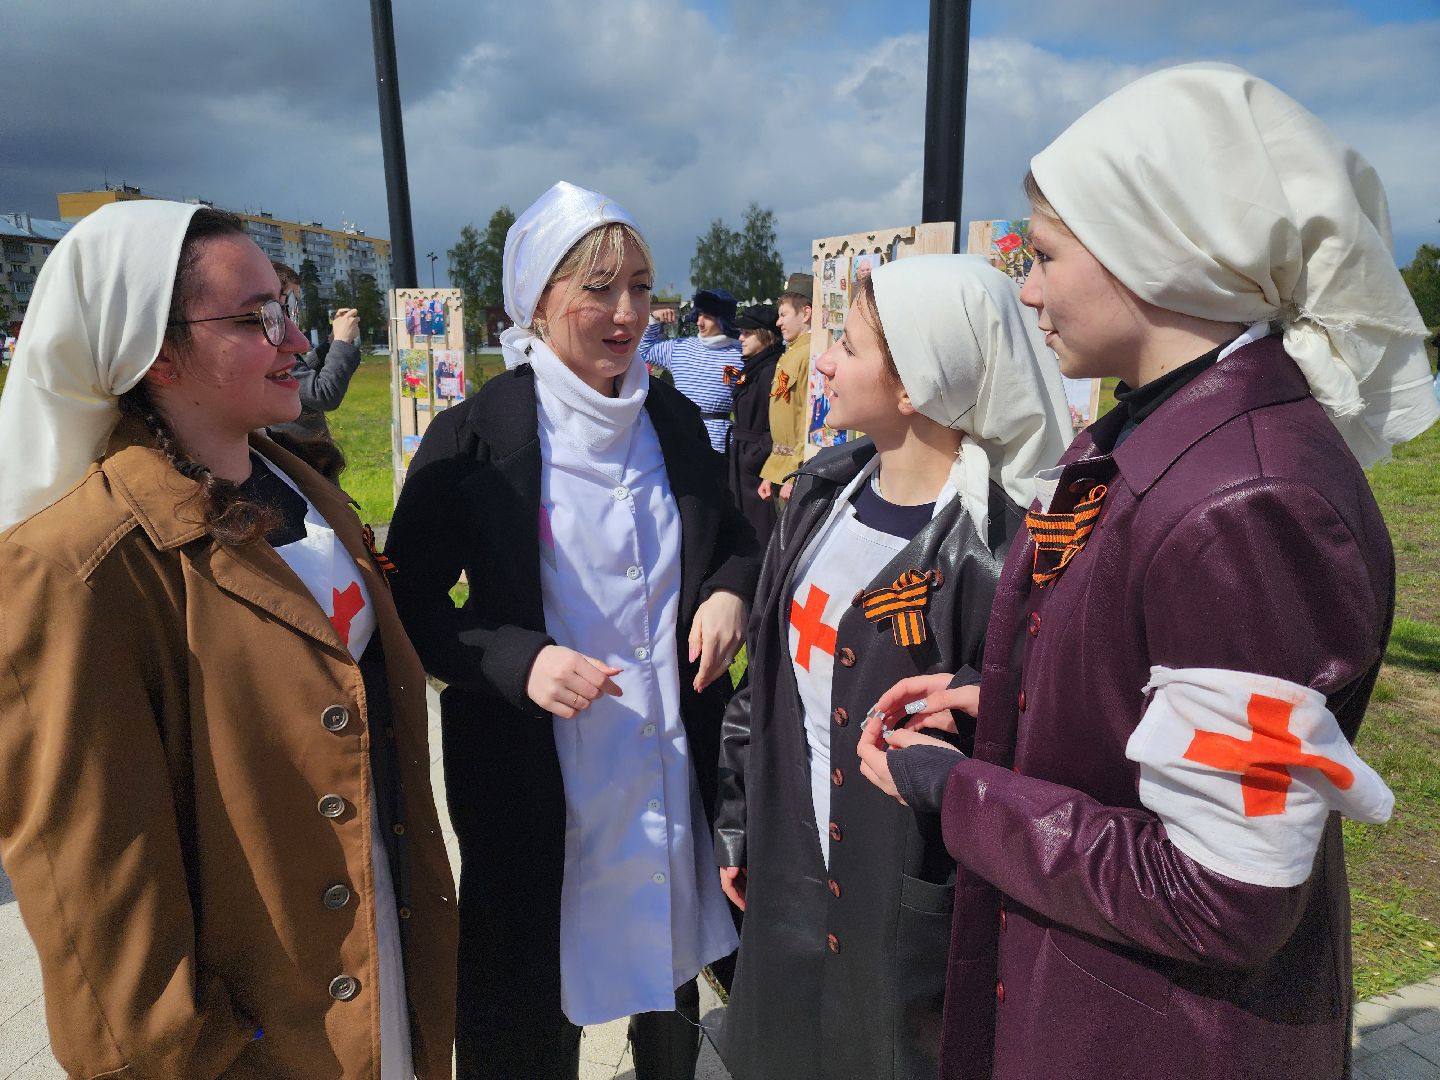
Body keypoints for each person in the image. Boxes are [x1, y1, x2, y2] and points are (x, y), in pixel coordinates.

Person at [859, 63, 1440, 1080]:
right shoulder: (1177, 430)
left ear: (1155, 248)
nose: (1026, 289)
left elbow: (1221, 893)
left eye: (1042, 255)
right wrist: (1004, 702)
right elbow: (1151, 679)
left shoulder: (1251, 502)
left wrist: (959, 794)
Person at [0, 202, 457, 1078]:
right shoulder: (77, 570)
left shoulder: (303, 487)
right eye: (258, 319)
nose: (296, 342)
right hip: (269, 1042)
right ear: (155, 352)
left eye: (286, 307)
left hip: (375, 974)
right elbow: (102, 918)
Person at [384, 181, 761, 1080]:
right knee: (535, 991)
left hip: (668, 752)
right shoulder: (474, 438)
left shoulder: (667, 418)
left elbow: (736, 534)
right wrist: (519, 660)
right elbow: (411, 604)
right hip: (539, 770)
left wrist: (727, 592)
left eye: (640, 285)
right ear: (538, 300)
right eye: (598, 288)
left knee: (666, 963)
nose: (628, 312)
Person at [713, 255, 1070, 1080]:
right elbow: (766, 678)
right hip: (784, 865)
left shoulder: (998, 551)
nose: (824, 361)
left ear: (914, 385)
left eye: (850, 343)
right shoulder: (818, 492)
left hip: (901, 903)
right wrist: (738, 817)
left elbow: (1022, 745)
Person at [268, 260, 362, 481]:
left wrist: (331, 343)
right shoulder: (271, 350)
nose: (294, 312)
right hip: (302, 467)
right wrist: (342, 342)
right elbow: (324, 393)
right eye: (291, 304)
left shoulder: (274, 347)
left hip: (303, 461)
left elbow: (302, 374)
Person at [640, 287, 743, 452]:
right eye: (699, 315)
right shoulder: (680, 348)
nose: (699, 322)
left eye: (707, 317)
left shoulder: (741, 354)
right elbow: (641, 353)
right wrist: (653, 320)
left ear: (723, 320)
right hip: (683, 437)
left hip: (720, 445)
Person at [727, 302, 786, 550]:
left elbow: (778, 423)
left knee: (760, 532)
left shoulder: (771, 369)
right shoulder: (754, 367)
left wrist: (753, 458)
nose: (741, 338)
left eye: (747, 332)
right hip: (743, 456)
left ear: (765, 335)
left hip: (756, 463)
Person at [757, 274, 814, 509]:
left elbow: (808, 418)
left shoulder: (810, 354)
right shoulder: (791, 354)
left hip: (797, 470)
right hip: (783, 468)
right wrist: (772, 471)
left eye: (783, 315)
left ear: (806, 313)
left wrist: (795, 472)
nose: (778, 323)